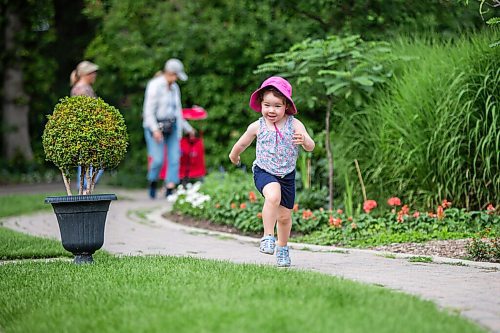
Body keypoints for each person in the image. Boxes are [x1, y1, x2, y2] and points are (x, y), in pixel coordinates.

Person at [229, 76, 315, 267]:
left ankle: (283, 249)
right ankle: (268, 237)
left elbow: (310, 146)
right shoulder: (257, 126)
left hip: (287, 175)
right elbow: (242, 143)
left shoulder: (295, 124)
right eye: (267, 105)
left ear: (286, 106)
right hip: (264, 171)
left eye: (277, 106)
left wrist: (305, 141)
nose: (271, 110)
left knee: (284, 217)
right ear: (261, 105)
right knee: (273, 196)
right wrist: (234, 157)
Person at [143, 58, 195, 199]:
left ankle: (170, 188)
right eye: (176, 75)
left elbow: (177, 111)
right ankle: (153, 180)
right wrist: (155, 130)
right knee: (158, 159)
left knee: (174, 157)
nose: (177, 79)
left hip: (171, 126)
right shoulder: (155, 86)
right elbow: (148, 111)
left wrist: (188, 128)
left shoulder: (174, 88)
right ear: (170, 73)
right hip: (154, 126)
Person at [69, 60, 103, 190]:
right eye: (92, 73)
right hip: (86, 131)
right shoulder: (82, 90)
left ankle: (83, 188)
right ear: (85, 74)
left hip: (86, 131)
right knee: (92, 162)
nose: (94, 75)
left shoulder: (83, 88)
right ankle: (83, 188)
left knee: (86, 162)